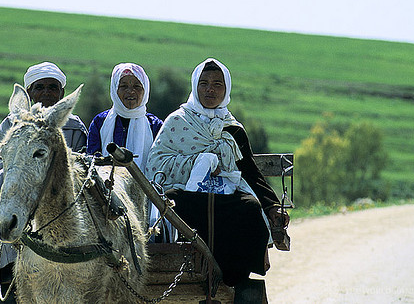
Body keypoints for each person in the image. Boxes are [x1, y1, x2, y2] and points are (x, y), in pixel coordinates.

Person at [145, 58, 289, 287]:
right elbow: (156, 163)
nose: (210, 89)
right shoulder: (178, 121)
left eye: (217, 84)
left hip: (228, 193)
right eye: (204, 83)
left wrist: (271, 206)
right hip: (186, 191)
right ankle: (186, 269)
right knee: (173, 204)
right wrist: (199, 163)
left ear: (226, 88)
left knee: (250, 208)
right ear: (195, 86)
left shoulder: (233, 128)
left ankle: (234, 275)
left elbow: (250, 171)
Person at [0, 62, 88, 303]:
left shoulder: (74, 126)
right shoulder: (10, 124)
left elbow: (81, 166)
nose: (47, 93)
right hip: (18, 189)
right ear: (29, 93)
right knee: (0, 181)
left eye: (53, 87)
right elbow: (3, 164)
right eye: (40, 87)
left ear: (61, 93)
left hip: (61, 198)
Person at [86, 62, 163, 170]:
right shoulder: (100, 122)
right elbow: (92, 160)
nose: (131, 91)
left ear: (145, 90)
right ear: (115, 89)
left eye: (137, 86)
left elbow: (159, 163)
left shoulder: (155, 126)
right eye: (123, 86)